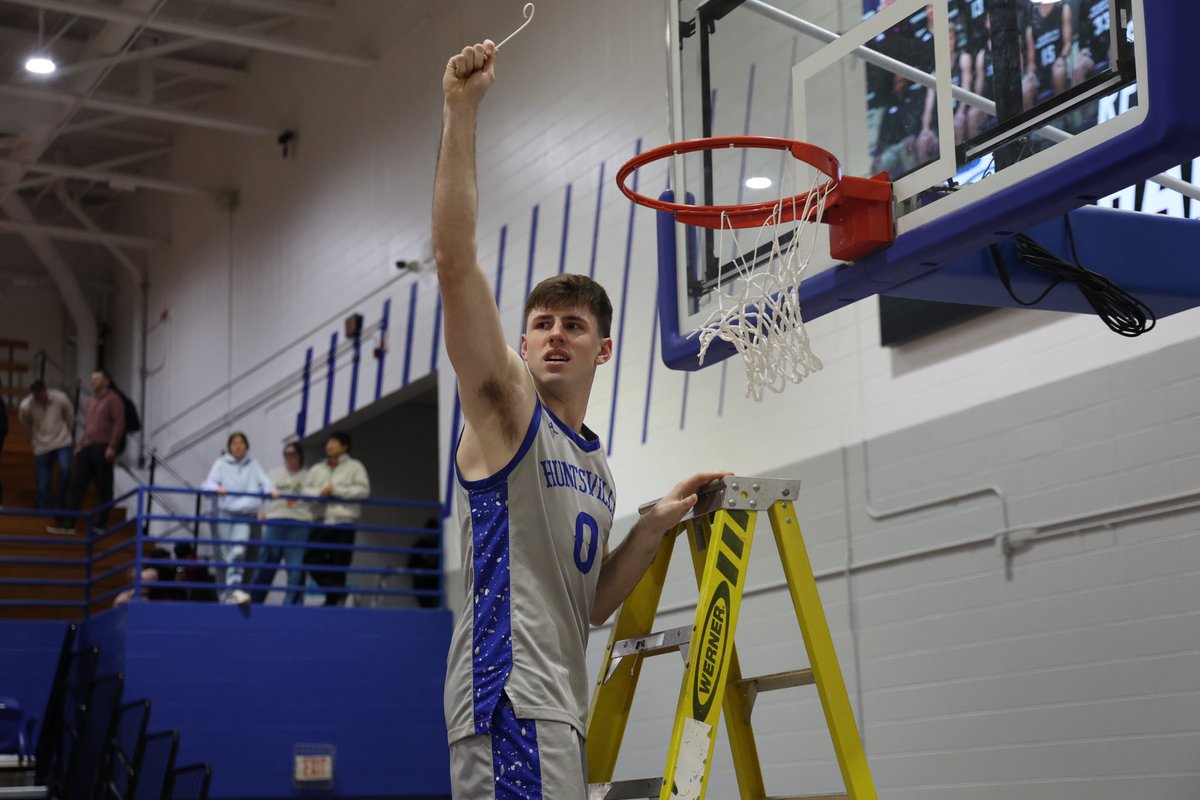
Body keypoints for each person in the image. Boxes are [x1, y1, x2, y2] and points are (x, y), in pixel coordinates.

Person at [434, 39, 725, 798]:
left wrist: (653, 525)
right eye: (542, 324)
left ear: (603, 349)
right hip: (508, 697)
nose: (555, 334)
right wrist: (461, 112)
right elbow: (455, 262)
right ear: (523, 342)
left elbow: (590, 605)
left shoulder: (595, 464)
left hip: (556, 707)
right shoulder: (508, 410)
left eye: (573, 324)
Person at [201, 431, 274, 605]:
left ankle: (235, 589)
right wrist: (216, 489)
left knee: (239, 551)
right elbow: (208, 483)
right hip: (225, 514)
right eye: (234, 443)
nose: (238, 446)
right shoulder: (221, 463)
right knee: (225, 557)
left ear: (246, 446)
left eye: (241, 443)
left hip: (245, 514)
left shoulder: (253, 464)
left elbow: (266, 483)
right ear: (229, 447)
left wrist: (269, 491)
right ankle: (226, 596)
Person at [302, 431, 369, 606]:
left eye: (334, 442)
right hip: (321, 520)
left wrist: (336, 491)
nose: (329, 445)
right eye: (328, 442)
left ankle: (333, 602)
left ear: (344, 446)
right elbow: (305, 491)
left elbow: (363, 491)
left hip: (344, 520)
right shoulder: (317, 468)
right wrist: (321, 493)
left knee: (339, 563)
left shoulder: (355, 467)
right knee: (310, 557)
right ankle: (339, 592)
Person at [248, 442, 313, 605]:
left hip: (299, 524)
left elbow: (316, 498)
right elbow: (260, 492)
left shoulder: (309, 476)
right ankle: (254, 602)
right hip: (275, 521)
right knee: (266, 564)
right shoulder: (274, 473)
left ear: (300, 456)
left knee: (296, 568)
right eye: (286, 454)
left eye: (293, 454)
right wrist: (260, 510)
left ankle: (292, 607)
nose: (290, 458)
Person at [61, 370, 125, 532]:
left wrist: (112, 446)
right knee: (77, 484)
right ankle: (70, 522)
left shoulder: (114, 400)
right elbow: (88, 425)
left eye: (97, 379)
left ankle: (102, 523)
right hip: (88, 446)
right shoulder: (90, 400)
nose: (93, 382)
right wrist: (81, 444)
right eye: (92, 379)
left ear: (106, 381)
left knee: (104, 487)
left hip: (104, 446)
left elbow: (119, 423)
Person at [18, 381, 75, 521]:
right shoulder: (26, 405)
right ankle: (43, 513)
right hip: (41, 445)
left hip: (62, 441)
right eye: (36, 395)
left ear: (45, 390)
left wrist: (66, 432)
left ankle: (59, 504)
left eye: (41, 393)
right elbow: (24, 423)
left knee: (66, 470)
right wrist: (34, 437)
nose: (39, 397)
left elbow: (70, 416)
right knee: (43, 483)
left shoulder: (60, 398)